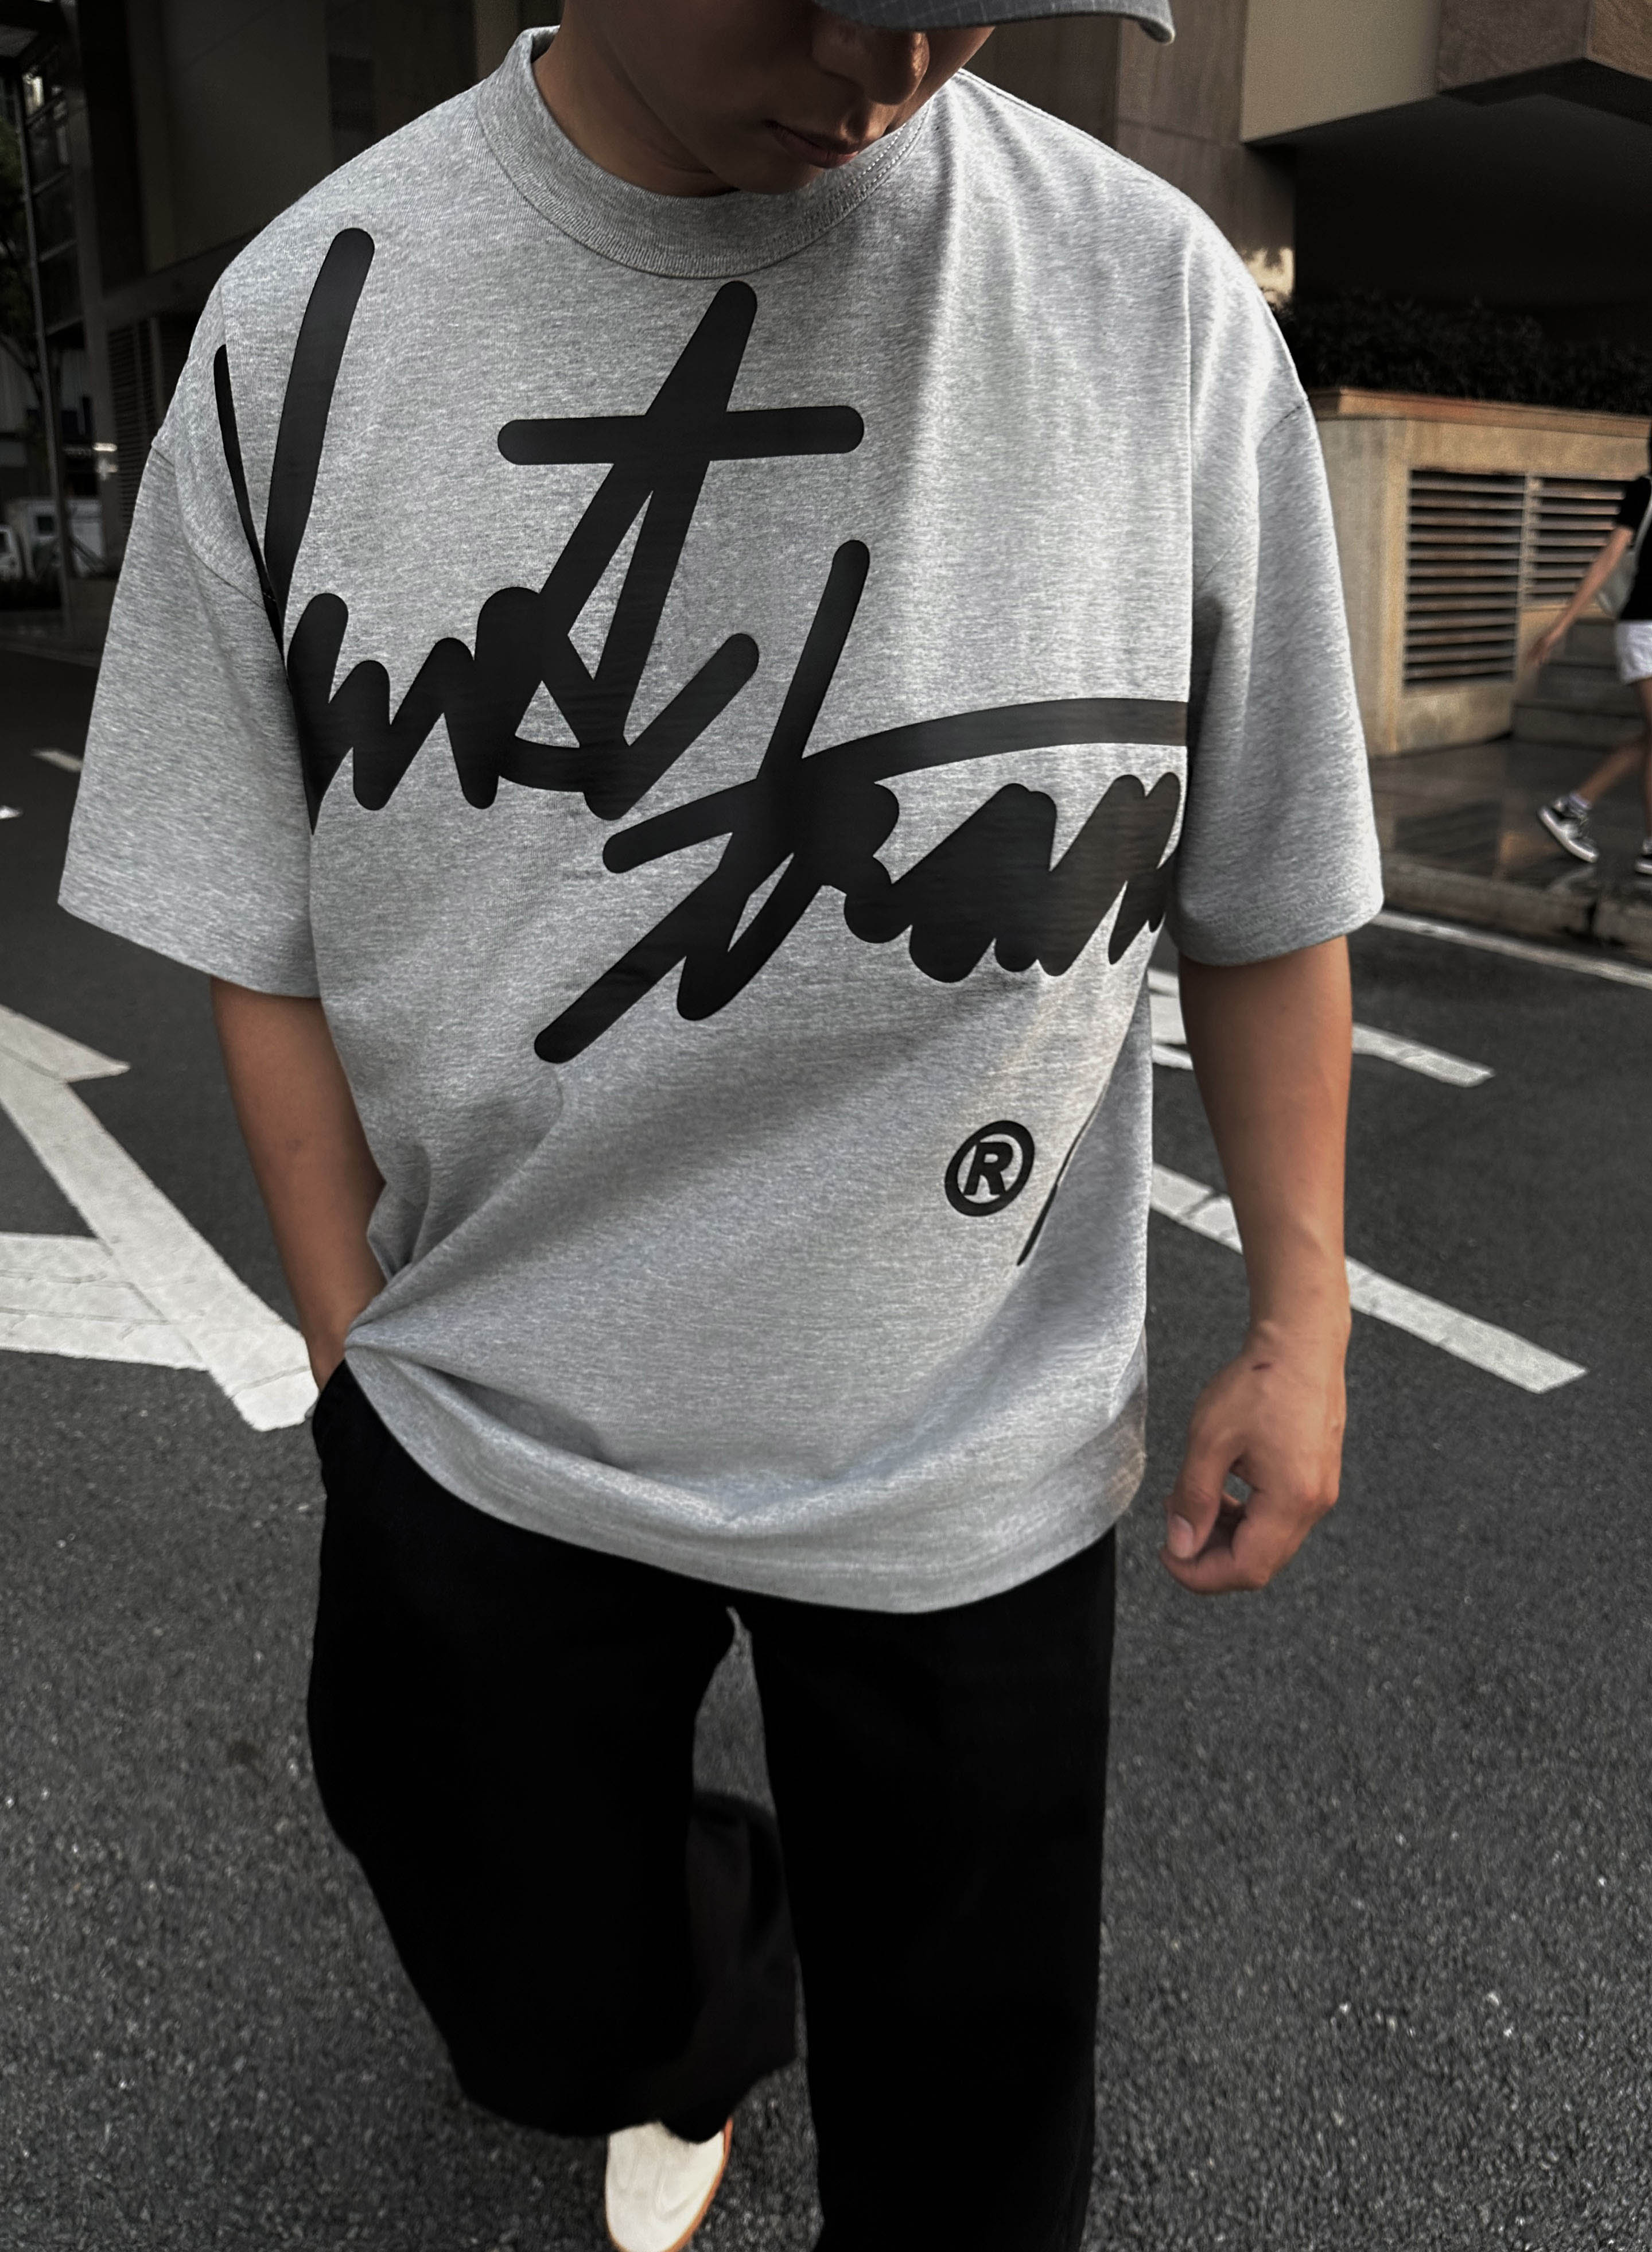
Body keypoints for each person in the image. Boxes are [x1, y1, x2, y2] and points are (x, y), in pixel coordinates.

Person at [59, 3, 1382, 2247]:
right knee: (530, 1989)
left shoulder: (1144, 298)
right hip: (488, 1390)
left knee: (971, 2157)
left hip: (964, 1425)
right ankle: (696, 2005)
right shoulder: (315, 321)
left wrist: (1300, 1315)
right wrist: (347, 1345)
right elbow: (252, 907)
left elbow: (1261, 875)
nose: (885, 53)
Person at [1530, 445, 1652, 879]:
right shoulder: (1646, 490)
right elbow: (1606, 561)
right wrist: (1561, 626)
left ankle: (1572, 808)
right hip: (1644, 629)